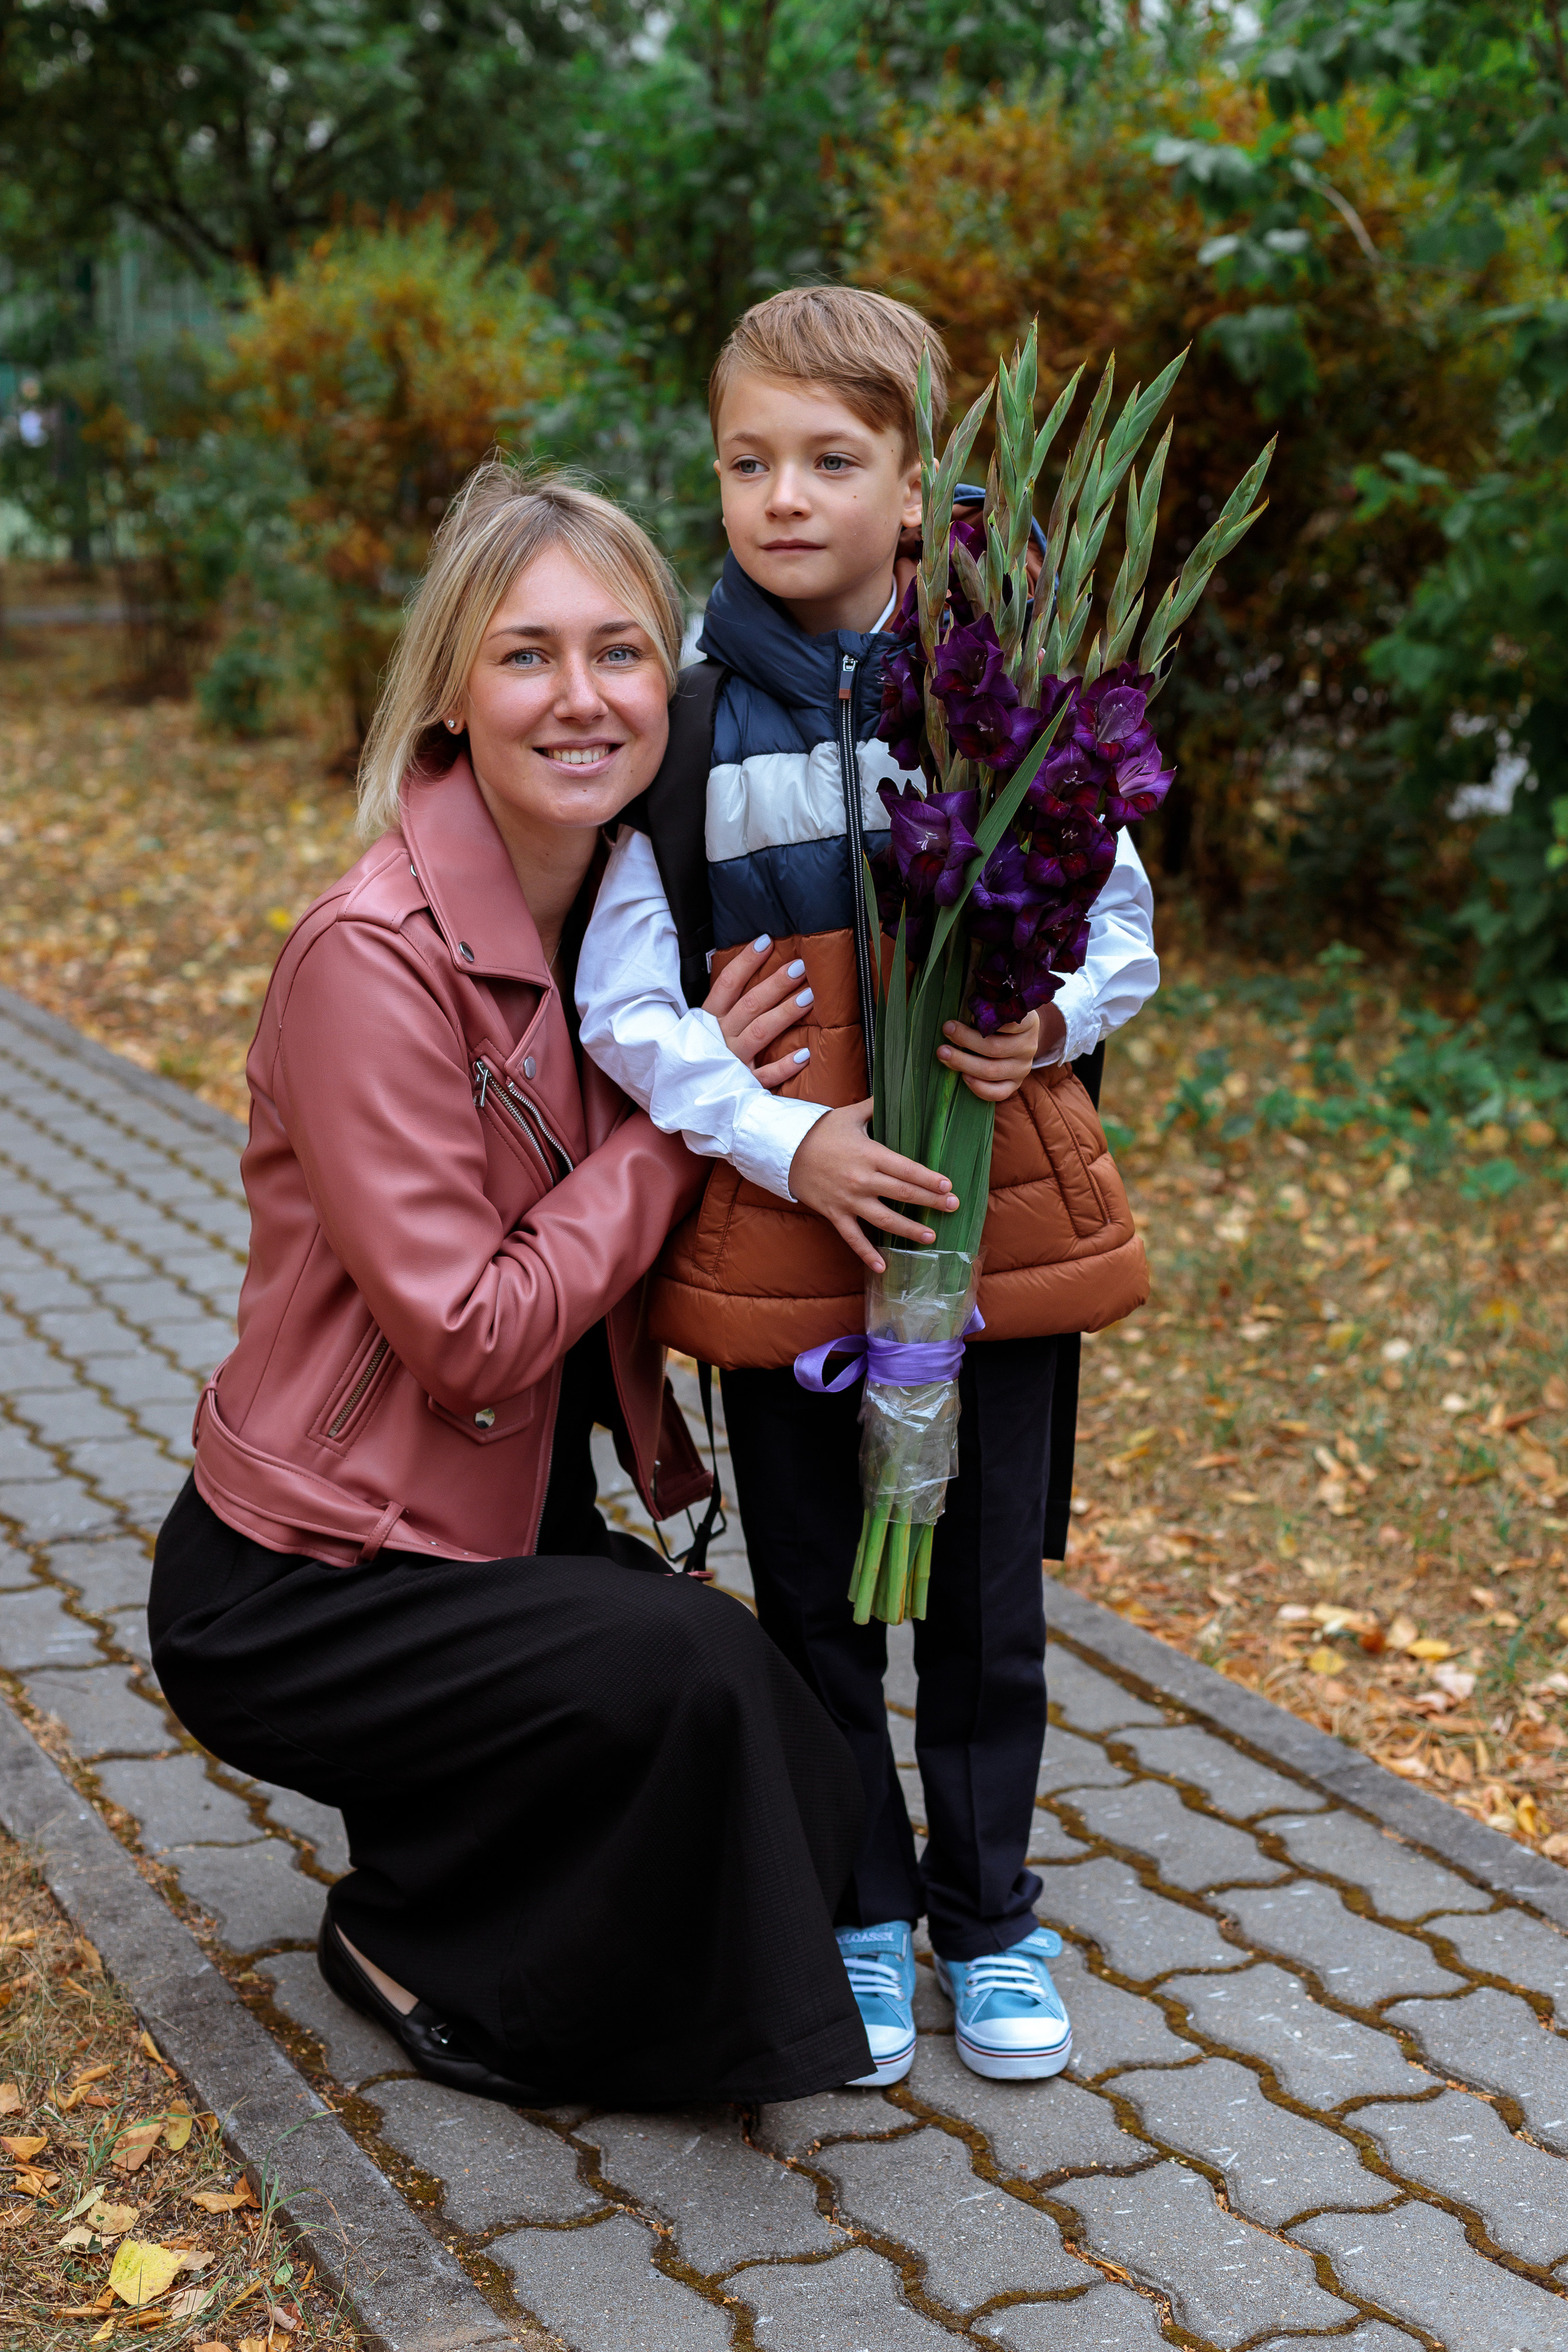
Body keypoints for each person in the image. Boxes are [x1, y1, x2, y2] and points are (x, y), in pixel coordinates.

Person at [148, 462, 873, 2106]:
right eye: (527, 655)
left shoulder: (628, 923)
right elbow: (469, 1331)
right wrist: (684, 1126)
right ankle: (417, 1949)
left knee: (785, 1743)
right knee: (686, 1680)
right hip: (308, 1580)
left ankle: (443, 1879)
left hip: (485, 1524)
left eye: (619, 653)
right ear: (452, 692)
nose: (581, 698)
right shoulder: (369, 958)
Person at [576, 288, 1159, 2087]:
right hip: (787, 1237)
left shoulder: (1003, 699)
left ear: (918, 489)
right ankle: (861, 1906)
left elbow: (1125, 923)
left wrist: (1049, 1013)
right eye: (747, 460)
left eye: (832, 460)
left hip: (986, 1229)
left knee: (986, 1596)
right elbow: (624, 1003)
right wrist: (778, 1131)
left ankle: (990, 1916)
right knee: (816, 1594)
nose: (783, 496)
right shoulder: (687, 726)